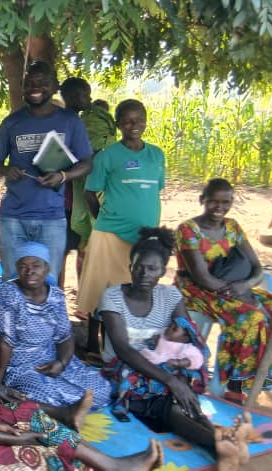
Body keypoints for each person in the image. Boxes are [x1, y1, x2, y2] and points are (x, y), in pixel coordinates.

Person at [0, 273, 163, 471]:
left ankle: (109, 463)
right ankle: (105, 465)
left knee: (27, 414)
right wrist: (19, 439)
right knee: (37, 455)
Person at [100, 226, 253, 467]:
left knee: (180, 397)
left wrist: (178, 372)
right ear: (130, 266)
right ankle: (219, 443)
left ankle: (225, 443)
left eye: (152, 268)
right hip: (125, 368)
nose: (144, 274)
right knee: (164, 401)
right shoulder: (113, 297)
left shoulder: (170, 296)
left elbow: (190, 336)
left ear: (163, 271)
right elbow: (123, 350)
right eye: (139, 267)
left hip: (164, 365)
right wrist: (171, 381)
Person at [175, 178, 272, 401]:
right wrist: (242, 296)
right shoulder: (188, 230)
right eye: (213, 201)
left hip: (235, 288)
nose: (219, 207)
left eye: (225, 202)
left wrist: (245, 287)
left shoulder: (233, 227)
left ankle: (264, 376)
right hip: (197, 292)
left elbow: (257, 268)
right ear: (202, 200)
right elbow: (202, 278)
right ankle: (234, 386)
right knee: (251, 319)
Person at [0, 61, 94, 280]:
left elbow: (87, 163)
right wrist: (7, 170)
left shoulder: (70, 122)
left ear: (55, 87)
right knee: (11, 279)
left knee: (48, 280)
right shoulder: (11, 123)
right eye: (29, 83)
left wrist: (63, 176)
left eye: (42, 83)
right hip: (13, 217)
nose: (35, 88)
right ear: (23, 87)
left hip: (51, 217)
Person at [0, 242, 112, 426]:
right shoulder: (6, 295)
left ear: (47, 268)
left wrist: (61, 363)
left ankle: (63, 409)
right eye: (23, 266)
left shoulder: (55, 296)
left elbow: (65, 336)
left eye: (36, 265)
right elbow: (5, 343)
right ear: (17, 269)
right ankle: (64, 412)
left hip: (51, 359)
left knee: (101, 390)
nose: (30, 271)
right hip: (17, 366)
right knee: (43, 395)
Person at [77, 99, 165, 321]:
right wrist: (105, 219)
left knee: (132, 289)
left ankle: (123, 335)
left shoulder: (157, 155)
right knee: (100, 291)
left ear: (146, 121)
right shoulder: (107, 156)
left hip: (144, 236)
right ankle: (93, 339)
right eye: (127, 121)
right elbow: (90, 193)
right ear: (118, 125)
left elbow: (154, 190)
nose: (134, 125)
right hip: (110, 234)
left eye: (139, 120)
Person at [59, 77, 117, 288]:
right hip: (66, 199)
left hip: (82, 199)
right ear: (71, 96)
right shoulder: (62, 122)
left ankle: (82, 297)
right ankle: (58, 296)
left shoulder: (89, 122)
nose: (89, 99)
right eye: (85, 94)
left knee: (84, 248)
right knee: (62, 251)